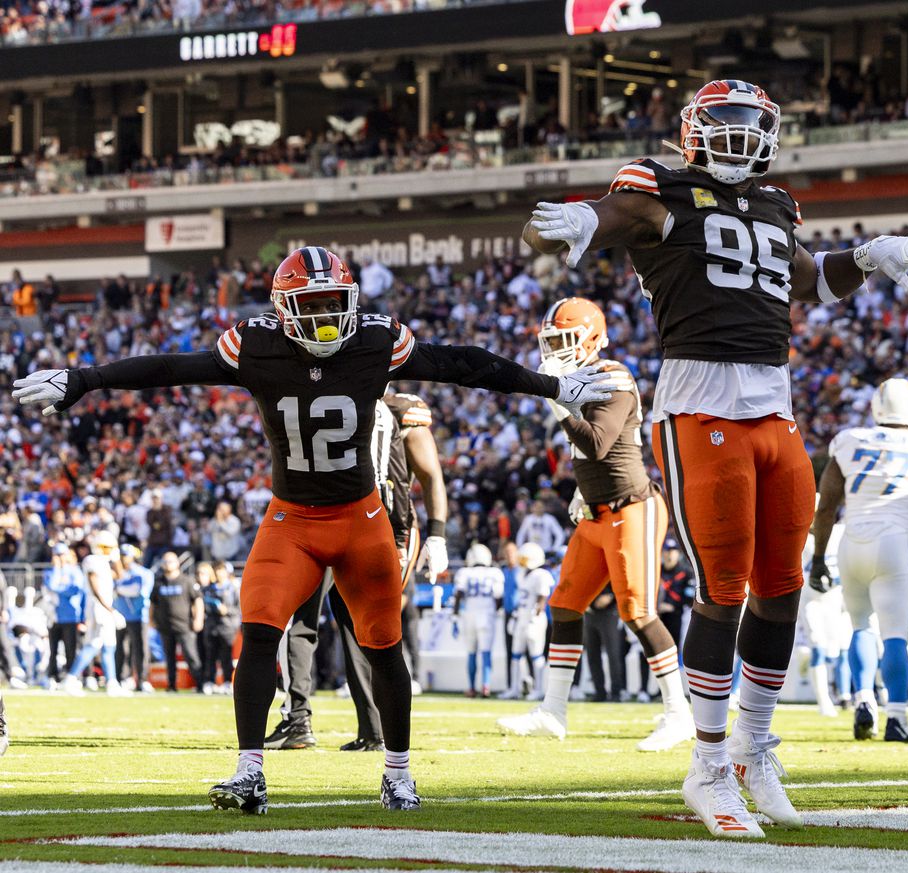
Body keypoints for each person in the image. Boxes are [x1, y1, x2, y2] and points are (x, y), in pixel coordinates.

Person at [13, 245, 618, 814]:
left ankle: (399, 771)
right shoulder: (258, 346)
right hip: (292, 522)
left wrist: (552, 384)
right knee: (257, 632)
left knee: (384, 647)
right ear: (283, 311)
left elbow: (462, 364)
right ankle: (250, 771)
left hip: (362, 520)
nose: (327, 319)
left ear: (352, 302)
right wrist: (83, 379)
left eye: (335, 304)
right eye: (313, 306)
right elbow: (172, 367)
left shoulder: (374, 339)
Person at [523, 78, 908, 837]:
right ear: (693, 130)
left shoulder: (775, 204)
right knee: (723, 586)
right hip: (700, 402)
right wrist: (581, 219)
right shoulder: (659, 188)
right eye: (723, 122)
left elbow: (810, 281)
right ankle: (710, 763)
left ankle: (755, 748)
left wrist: (866, 254)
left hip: (775, 404)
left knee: (781, 584)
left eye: (750, 124)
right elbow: (608, 216)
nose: (738, 136)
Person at [499, 298, 692, 751]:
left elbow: (599, 443)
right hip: (595, 511)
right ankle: (553, 710)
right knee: (564, 605)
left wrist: (557, 403)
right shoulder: (577, 380)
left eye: (564, 341)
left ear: (591, 337)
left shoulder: (613, 378)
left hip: (633, 508)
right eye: (550, 343)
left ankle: (679, 713)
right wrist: (581, 490)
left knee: (638, 613)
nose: (556, 352)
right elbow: (587, 458)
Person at [266, 390, 447, 753]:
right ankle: (347, 725)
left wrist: (437, 534)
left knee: (359, 628)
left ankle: (350, 725)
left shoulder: (400, 409)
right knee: (328, 623)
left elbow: (429, 475)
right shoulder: (337, 396)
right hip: (337, 518)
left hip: (376, 525)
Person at [811, 379, 908, 744]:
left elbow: (826, 507)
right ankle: (897, 718)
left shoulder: (849, 440)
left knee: (860, 628)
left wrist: (818, 559)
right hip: (893, 543)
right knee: (894, 638)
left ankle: (864, 700)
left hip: (851, 542)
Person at [800, 517, 853, 717]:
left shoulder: (839, 534)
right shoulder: (803, 539)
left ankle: (844, 694)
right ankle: (823, 701)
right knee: (818, 649)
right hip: (811, 601)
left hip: (835, 599)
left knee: (839, 651)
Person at [65, 530, 127, 695]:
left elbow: (120, 575)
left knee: (108, 646)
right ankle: (71, 678)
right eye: (107, 547)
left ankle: (112, 682)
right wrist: (111, 610)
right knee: (94, 644)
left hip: (104, 608)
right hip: (98, 608)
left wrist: (117, 557)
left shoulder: (106, 563)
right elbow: (95, 586)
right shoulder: (92, 560)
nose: (109, 551)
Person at [453, 543, 503, 697]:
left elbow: (459, 594)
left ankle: (472, 687)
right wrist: (492, 611)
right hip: (487, 615)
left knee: (472, 653)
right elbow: (498, 597)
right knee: (486, 653)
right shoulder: (495, 572)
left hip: (470, 614)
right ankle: (486, 686)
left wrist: (455, 616)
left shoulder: (464, 572)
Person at [504, 542, 552, 699]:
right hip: (522, 617)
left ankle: (539, 689)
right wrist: (516, 615)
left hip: (534, 619)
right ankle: (514, 688)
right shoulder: (522, 574)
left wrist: (535, 614)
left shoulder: (541, 575)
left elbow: (542, 598)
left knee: (536, 655)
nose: (522, 561)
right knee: (516, 654)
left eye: (525, 558)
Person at [150, 552, 203, 693]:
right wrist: (151, 620)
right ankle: (171, 685)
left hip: (185, 626)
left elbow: (197, 600)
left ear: (178, 563)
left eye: (171, 561)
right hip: (165, 626)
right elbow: (153, 604)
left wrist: (198, 619)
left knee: (191, 656)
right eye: (165, 561)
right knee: (169, 658)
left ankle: (200, 685)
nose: (168, 564)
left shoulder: (187, 581)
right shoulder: (159, 582)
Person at [44, 543, 86, 688]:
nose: (60, 558)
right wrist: (56, 570)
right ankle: (52, 676)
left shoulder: (74, 571)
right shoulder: (50, 572)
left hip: (71, 616)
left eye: (62, 555)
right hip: (54, 617)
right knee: (53, 649)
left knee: (71, 649)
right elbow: (51, 586)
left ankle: (71, 676)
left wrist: (58, 590)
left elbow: (76, 589)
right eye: (57, 555)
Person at [114, 544, 154, 692]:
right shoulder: (117, 573)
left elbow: (139, 592)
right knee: (120, 648)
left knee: (140, 649)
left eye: (126, 555)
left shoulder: (144, 573)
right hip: (120, 615)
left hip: (138, 616)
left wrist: (120, 589)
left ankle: (142, 679)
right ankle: (122, 678)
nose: (124, 559)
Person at [201, 562, 241, 693]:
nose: (219, 573)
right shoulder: (208, 589)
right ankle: (210, 681)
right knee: (210, 656)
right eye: (217, 570)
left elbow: (239, 608)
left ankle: (227, 681)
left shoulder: (234, 588)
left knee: (226, 656)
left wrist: (226, 610)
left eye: (222, 570)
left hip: (227, 626)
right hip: (212, 625)